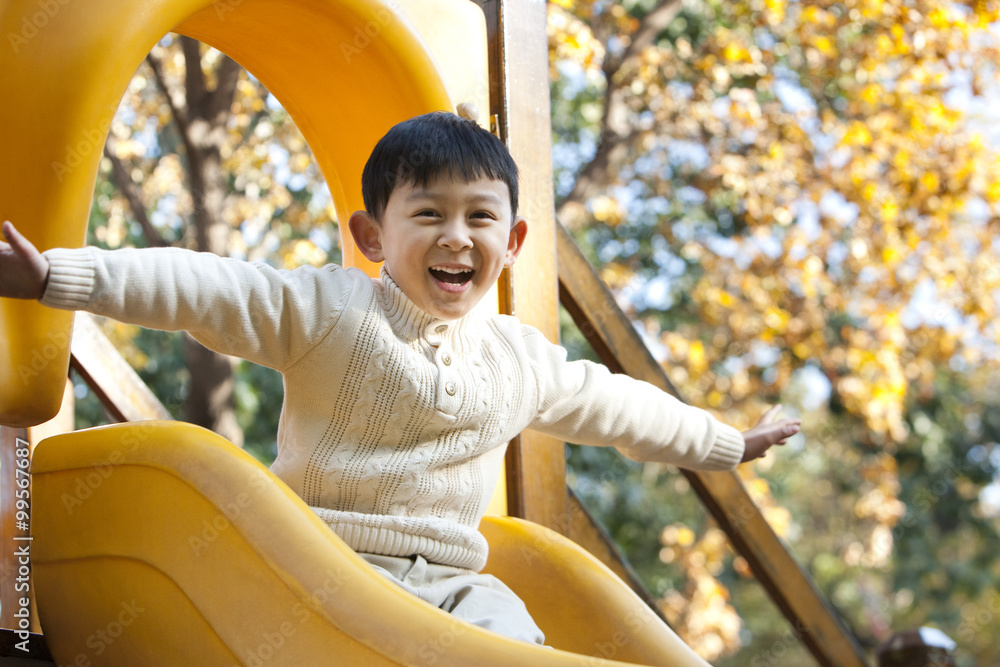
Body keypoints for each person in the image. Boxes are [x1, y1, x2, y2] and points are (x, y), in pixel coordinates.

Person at [0, 111, 799, 646]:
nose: (458, 236)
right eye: (429, 214)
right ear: (373, 233)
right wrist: (57, 277)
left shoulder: (519, 358)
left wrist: (723, 440)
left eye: (480, 217)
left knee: (515, 639)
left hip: (451, 583)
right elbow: (205, 287)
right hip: (310, 568)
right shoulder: (328, 310)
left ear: (514, 238)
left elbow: (617, 406)